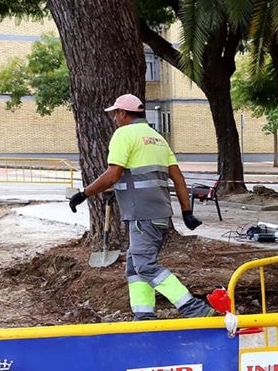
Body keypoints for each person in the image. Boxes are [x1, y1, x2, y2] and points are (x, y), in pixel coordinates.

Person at [68, 93, 215, 321]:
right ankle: (143, 317)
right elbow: (178, 179)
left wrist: (83, 193)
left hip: (141, 215)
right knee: (134, 268)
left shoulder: (123, 135)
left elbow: (112, 174)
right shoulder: (157, 138)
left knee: (145, 266)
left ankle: (195, 309)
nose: (114, 118)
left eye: (115, 114)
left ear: (124, 114)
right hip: (158, 214)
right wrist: (187, 212)